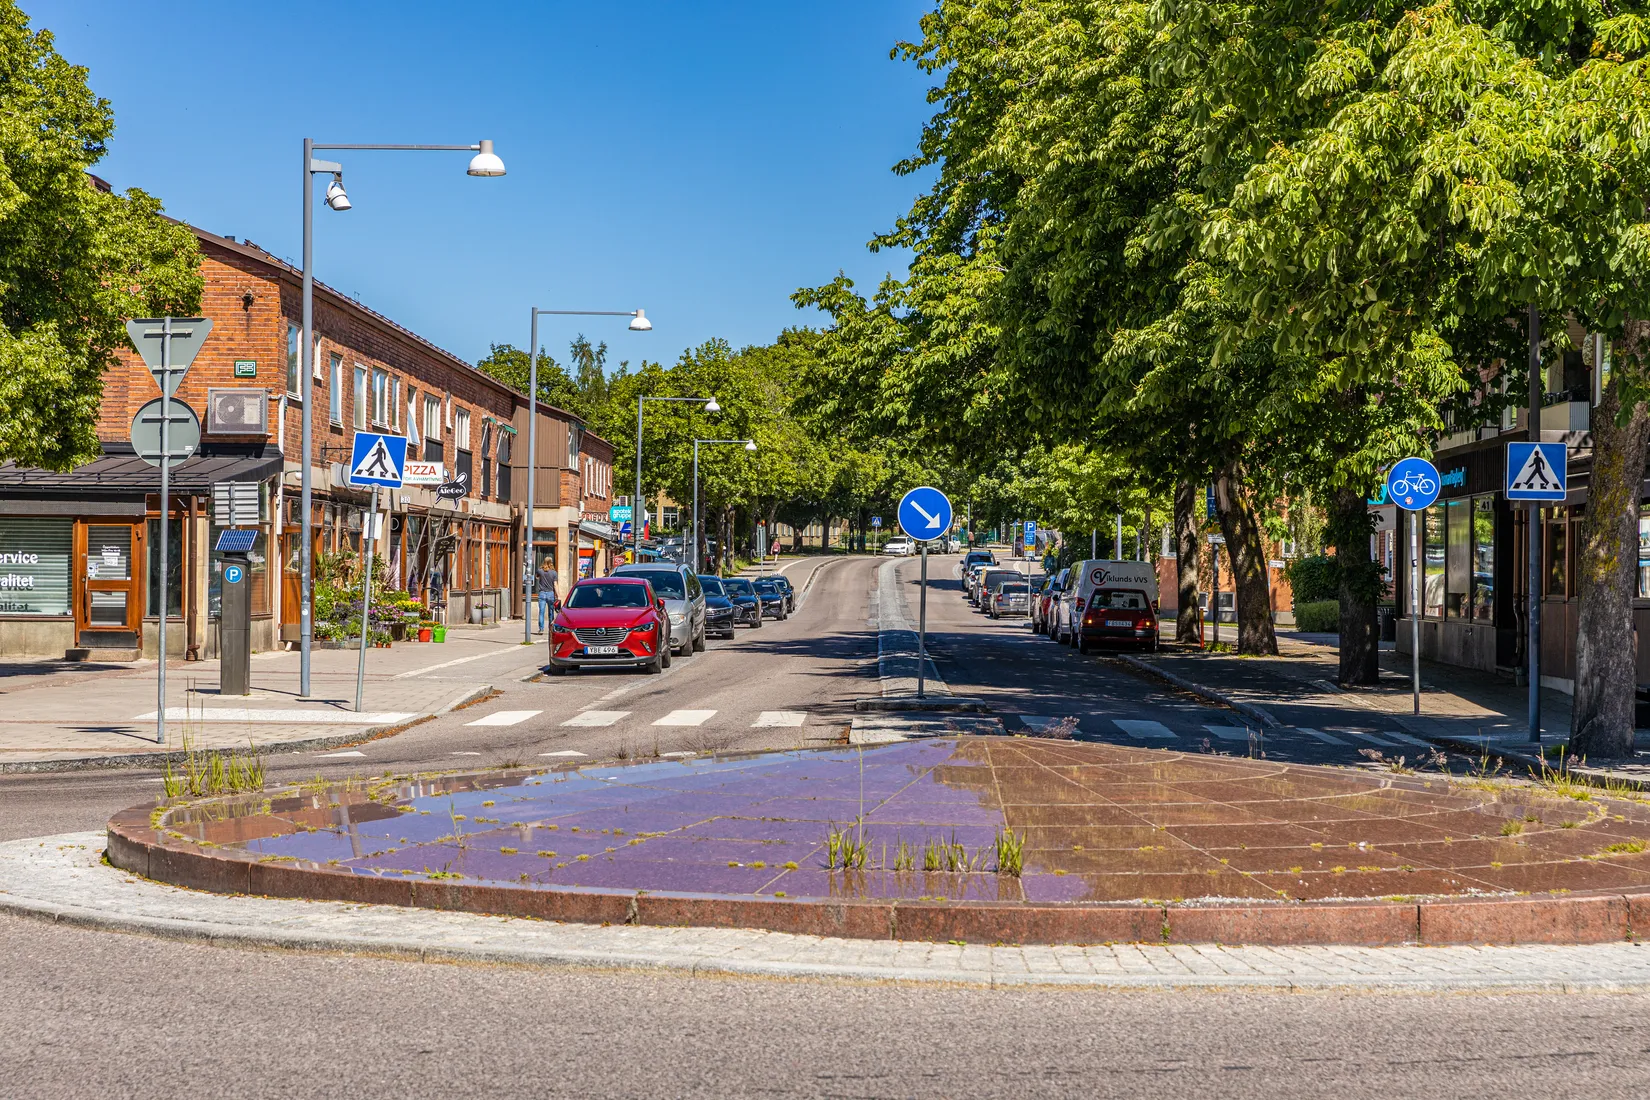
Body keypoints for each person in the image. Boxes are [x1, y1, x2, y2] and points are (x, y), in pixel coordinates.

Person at [535, 559, 559, 633]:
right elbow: (555, 585)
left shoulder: (540, 571)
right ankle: (551, 629)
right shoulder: (554, 573)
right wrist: (558, 595)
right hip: (550, 593)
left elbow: (536, 577)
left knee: (541, 612)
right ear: (551, 563)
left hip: (542, 593)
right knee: (551, 612)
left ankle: (541, 629)